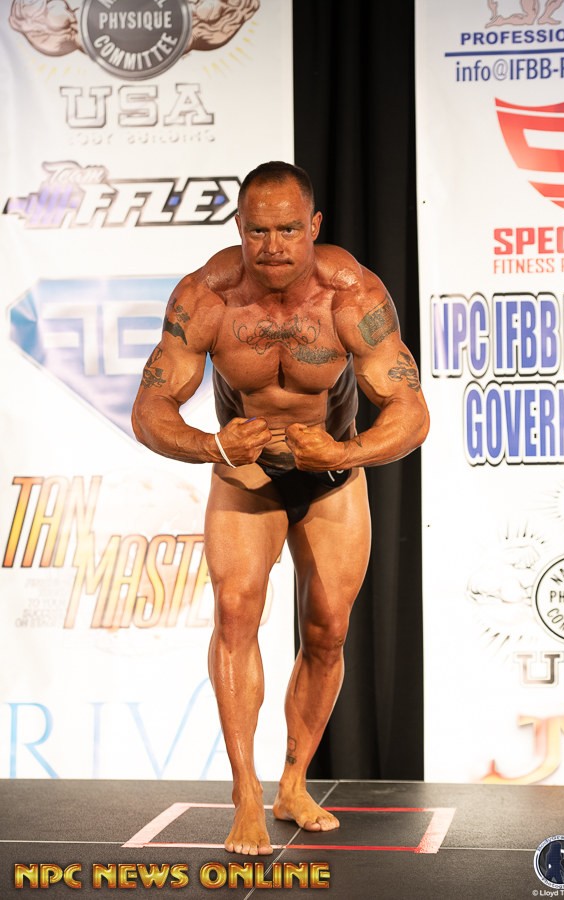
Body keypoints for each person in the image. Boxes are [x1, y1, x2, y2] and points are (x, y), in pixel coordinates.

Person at [131, 161, 429, 856]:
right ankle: (245, 793)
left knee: (328, 630)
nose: (273, 246)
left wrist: (346, 453)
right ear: (239, 227)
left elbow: (411, 411)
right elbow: (149, 408)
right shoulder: (207, 297)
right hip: (247, 471)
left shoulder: (350, 294)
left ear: (314, 226)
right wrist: (212, 445)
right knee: (236, 614)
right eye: (259, 231)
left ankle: (294, 783)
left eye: (289, 230)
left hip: (332, 471)